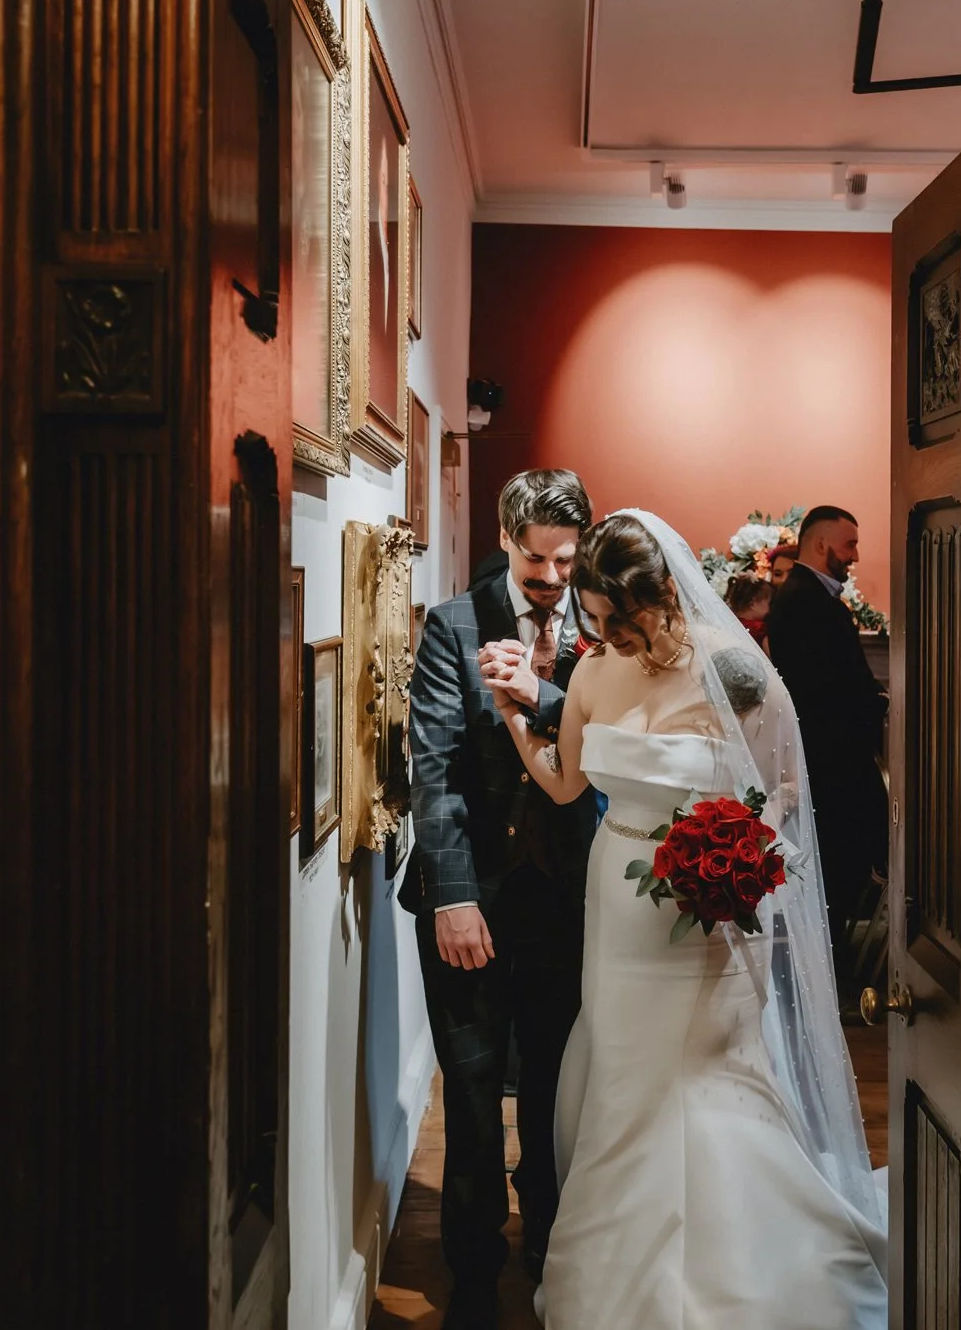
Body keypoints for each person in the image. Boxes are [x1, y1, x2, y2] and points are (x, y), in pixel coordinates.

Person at [482, 511, 886, 1329]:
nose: (601, 632)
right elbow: (563, 783)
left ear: (660, 595)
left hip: (708, 911)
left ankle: (741, 1269)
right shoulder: (595, 673)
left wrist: (734, 847)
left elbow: (786, 790)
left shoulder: (737, 668)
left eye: (614, 616)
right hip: (619, 901)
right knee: (627, 1071)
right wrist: (511, 714)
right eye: (592, 618)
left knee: (708, 1069)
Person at [403, 470, 600, 1328]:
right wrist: (452, 899)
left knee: (564, 1088)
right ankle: (474, 1272)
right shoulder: (453, 625)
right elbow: (435, 770)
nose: (554, 577)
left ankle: (555, 1247)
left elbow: (624, 741)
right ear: (505, 533)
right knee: (476, 1095)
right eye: (535, 558)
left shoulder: (607, 621)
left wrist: (540, 695)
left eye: (568, 557)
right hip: (474, 895)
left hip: (575, 904)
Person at [764, 507, 888, 991]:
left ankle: (830, 973)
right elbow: (830, 688)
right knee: (836, 870)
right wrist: (876, 703)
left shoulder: (803, 597)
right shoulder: (809, 603)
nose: (855, 555)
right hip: (829, 761)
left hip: (826, 756)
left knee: (837, 869)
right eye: (849, 544)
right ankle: (830, 979)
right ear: (821, 545)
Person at [724, 572, 773, 650]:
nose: (770, 608)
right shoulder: (759, 629)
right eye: (769, 603)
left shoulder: (729, 624)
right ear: (752, 604)